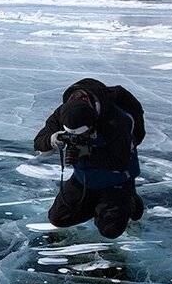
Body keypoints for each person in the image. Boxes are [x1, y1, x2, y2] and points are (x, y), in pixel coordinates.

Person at [33, 78, 146, 239]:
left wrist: (88, 150)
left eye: (82, 134)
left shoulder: (116, 120)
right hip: (83, 177)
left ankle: (130, 202)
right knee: (58, 218)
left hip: (117, 179)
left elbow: (120, 162)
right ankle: (100, 204)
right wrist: (52, 140)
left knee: (110, 230)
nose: (77, 138)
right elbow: (39, 142)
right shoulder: (64, 112)